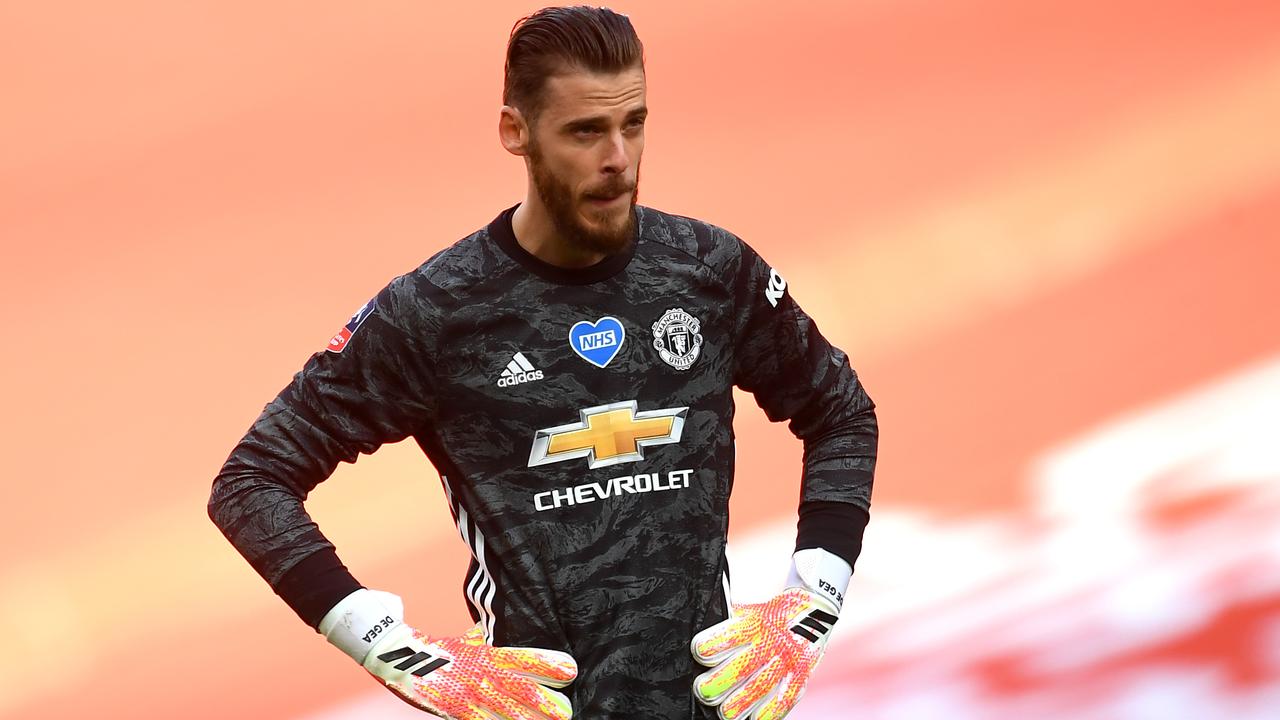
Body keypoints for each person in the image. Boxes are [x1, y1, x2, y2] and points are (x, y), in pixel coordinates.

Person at [208, 6, 877, 719]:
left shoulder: (711, 272)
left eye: (634, 124)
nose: (617, 157)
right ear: (515, 132)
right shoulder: (439, 311)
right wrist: (382, 641)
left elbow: (839, 411)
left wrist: (816, 596)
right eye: (585, 131)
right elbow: (251, 481)